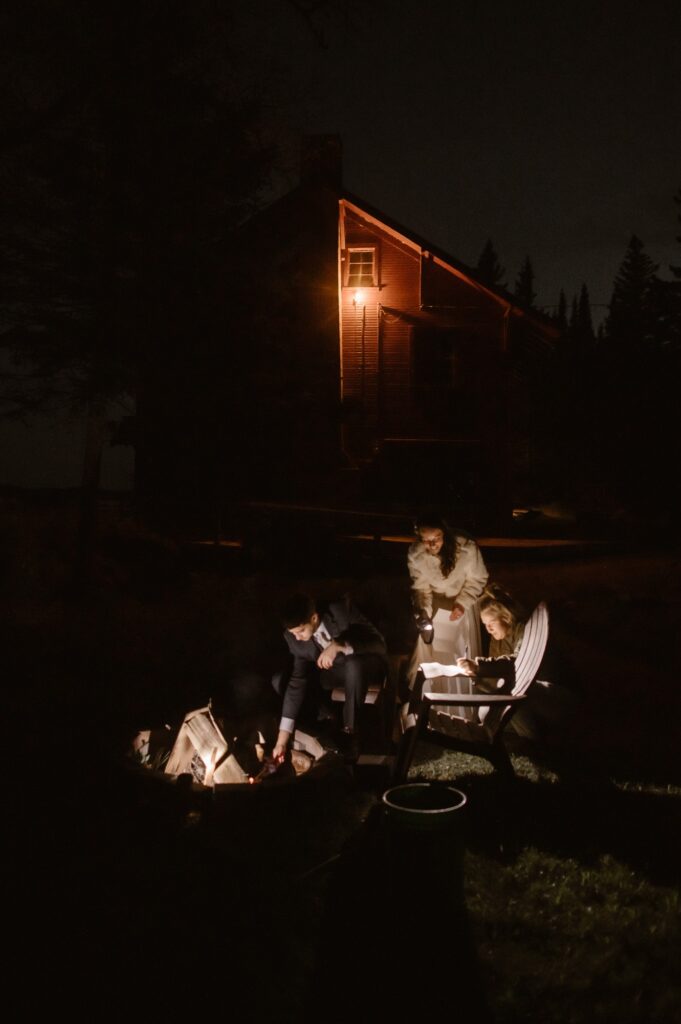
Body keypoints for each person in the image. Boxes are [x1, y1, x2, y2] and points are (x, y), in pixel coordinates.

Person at [272, 593, 387, 763]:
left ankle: (351, 734)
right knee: (280, 680)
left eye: (301, 631)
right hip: (333, 673)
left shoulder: (340, 611)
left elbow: (378, 643)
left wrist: (339, 644)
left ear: (314, 618)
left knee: (353, 665)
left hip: (365, 665)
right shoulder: (295, 639)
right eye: (294, 633)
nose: (298, 637)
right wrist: (281, 740)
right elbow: (298, 680)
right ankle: (322, 725)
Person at [406, 517, 489, 706]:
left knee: (460, 655)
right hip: (436, 607)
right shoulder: (416, 554)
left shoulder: (467, 548)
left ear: (446, 534)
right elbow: (420, 588)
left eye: (437, 537)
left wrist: (462, 603)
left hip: (462, 605)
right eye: (426, 540)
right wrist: (424, 613)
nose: (433, 544)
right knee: (432, 653)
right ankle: (432, 703)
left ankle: (462, 703)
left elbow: (478, 579)